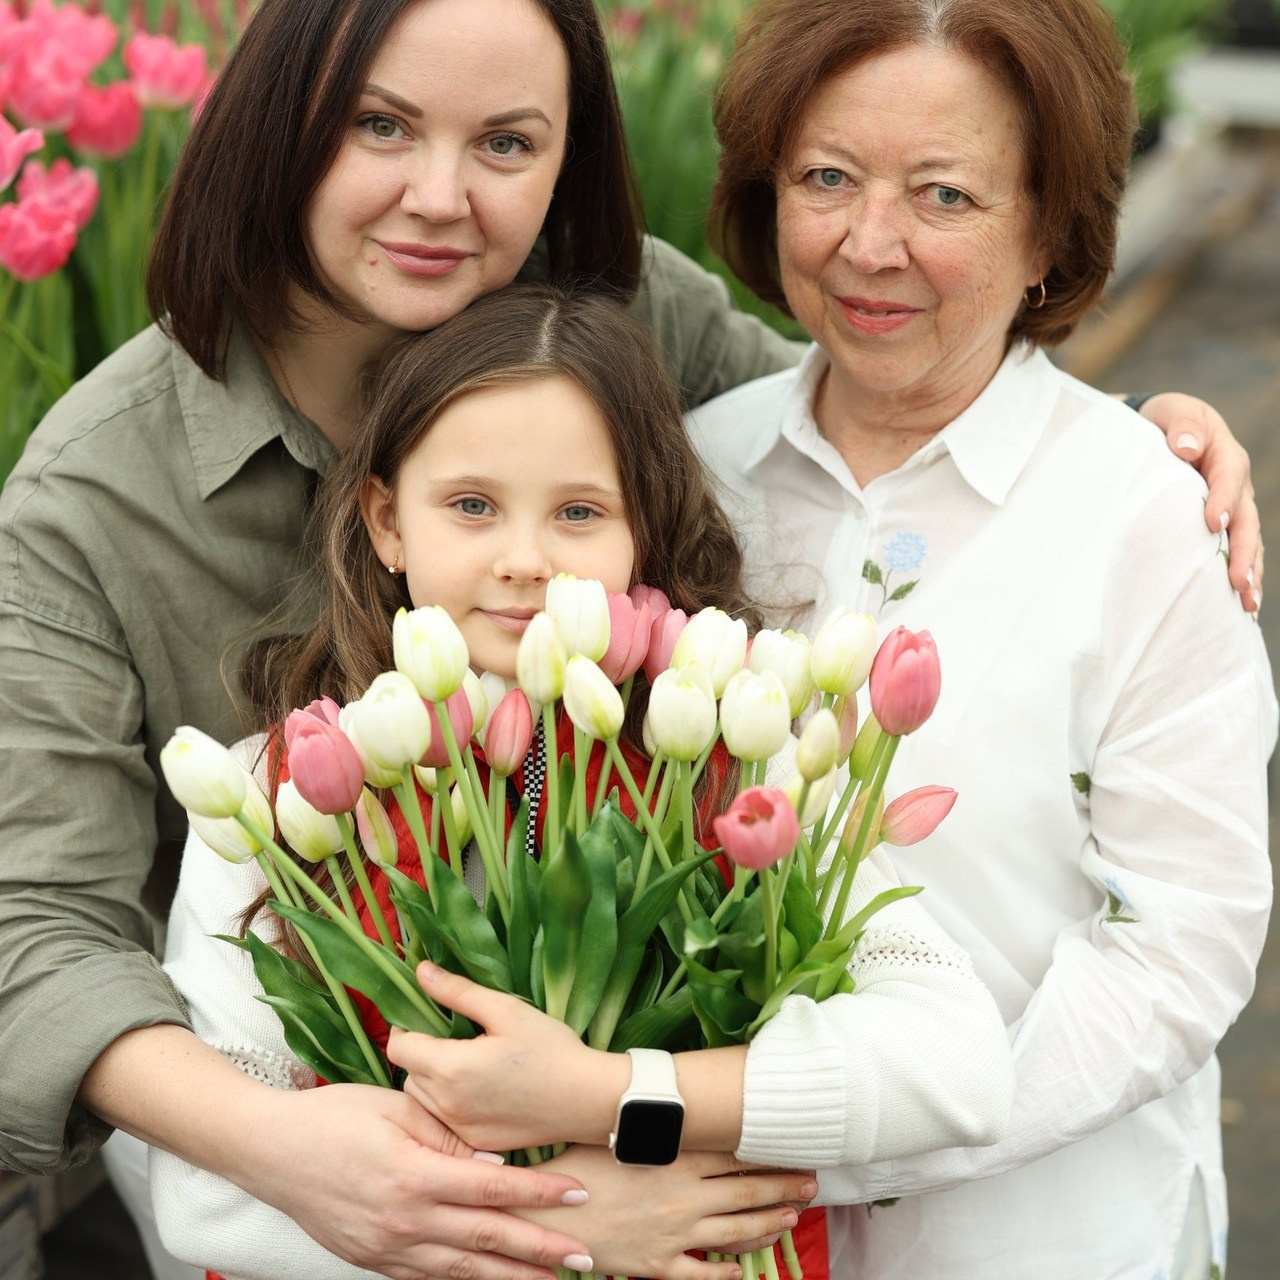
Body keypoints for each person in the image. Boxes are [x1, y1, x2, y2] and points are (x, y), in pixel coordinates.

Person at [0, 0, 1259, 1274]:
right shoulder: (200, 685)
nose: (440, 196)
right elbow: (44, 947)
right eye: (379, 125)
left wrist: (1120, 449)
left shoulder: (717, 735)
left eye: (506, 142)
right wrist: (517, 1213)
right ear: (379, 517)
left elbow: (905, 386)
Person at [150, 283, 1015, 1280]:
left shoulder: (731, 764)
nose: (524, 560)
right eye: (470, 505)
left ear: (641, 531)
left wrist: (608, 1091)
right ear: (386, 519)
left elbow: (956, 1067)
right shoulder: (278, 798)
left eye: (577, 511)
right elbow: (206, 1196)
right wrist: (560, 1228)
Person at [670, 1, 1274, 1276]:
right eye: (824, 177)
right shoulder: (693, 476)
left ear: (1051, 224)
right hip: (718, 1242)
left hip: (1045, 1234)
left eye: (943, 195)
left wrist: (850, 1138)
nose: (867, 243)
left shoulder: (1142, 514)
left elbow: (1179, 945)